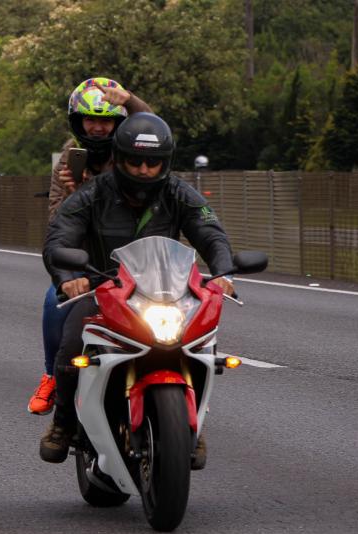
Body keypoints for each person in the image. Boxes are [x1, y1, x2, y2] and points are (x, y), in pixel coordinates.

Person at [39, 112, 235, 470]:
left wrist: (222, 271)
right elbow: (59, 237)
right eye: (135, 161)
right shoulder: (92, 194)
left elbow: (210, 232)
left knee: (203, 345)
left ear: (165, 162)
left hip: (168, 292)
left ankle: (190, 423)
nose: (144, 170)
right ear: (119, 158)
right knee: (70, 345)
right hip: (104, 290)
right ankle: (63, 423)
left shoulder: (178, 192)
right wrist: (68, 277)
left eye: (153, 162)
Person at [27, 77, 152, 415]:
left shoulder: (133, 152)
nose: (98, 127)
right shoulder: (68, 160)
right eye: (90, 120)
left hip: (138, 257)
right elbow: (58, 224)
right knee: (54, 299)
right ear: (77, 121)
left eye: (106, 120)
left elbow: (153, 129)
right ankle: (52, 375)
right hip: (89, 261)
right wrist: (75, 196)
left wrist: (130, 100)